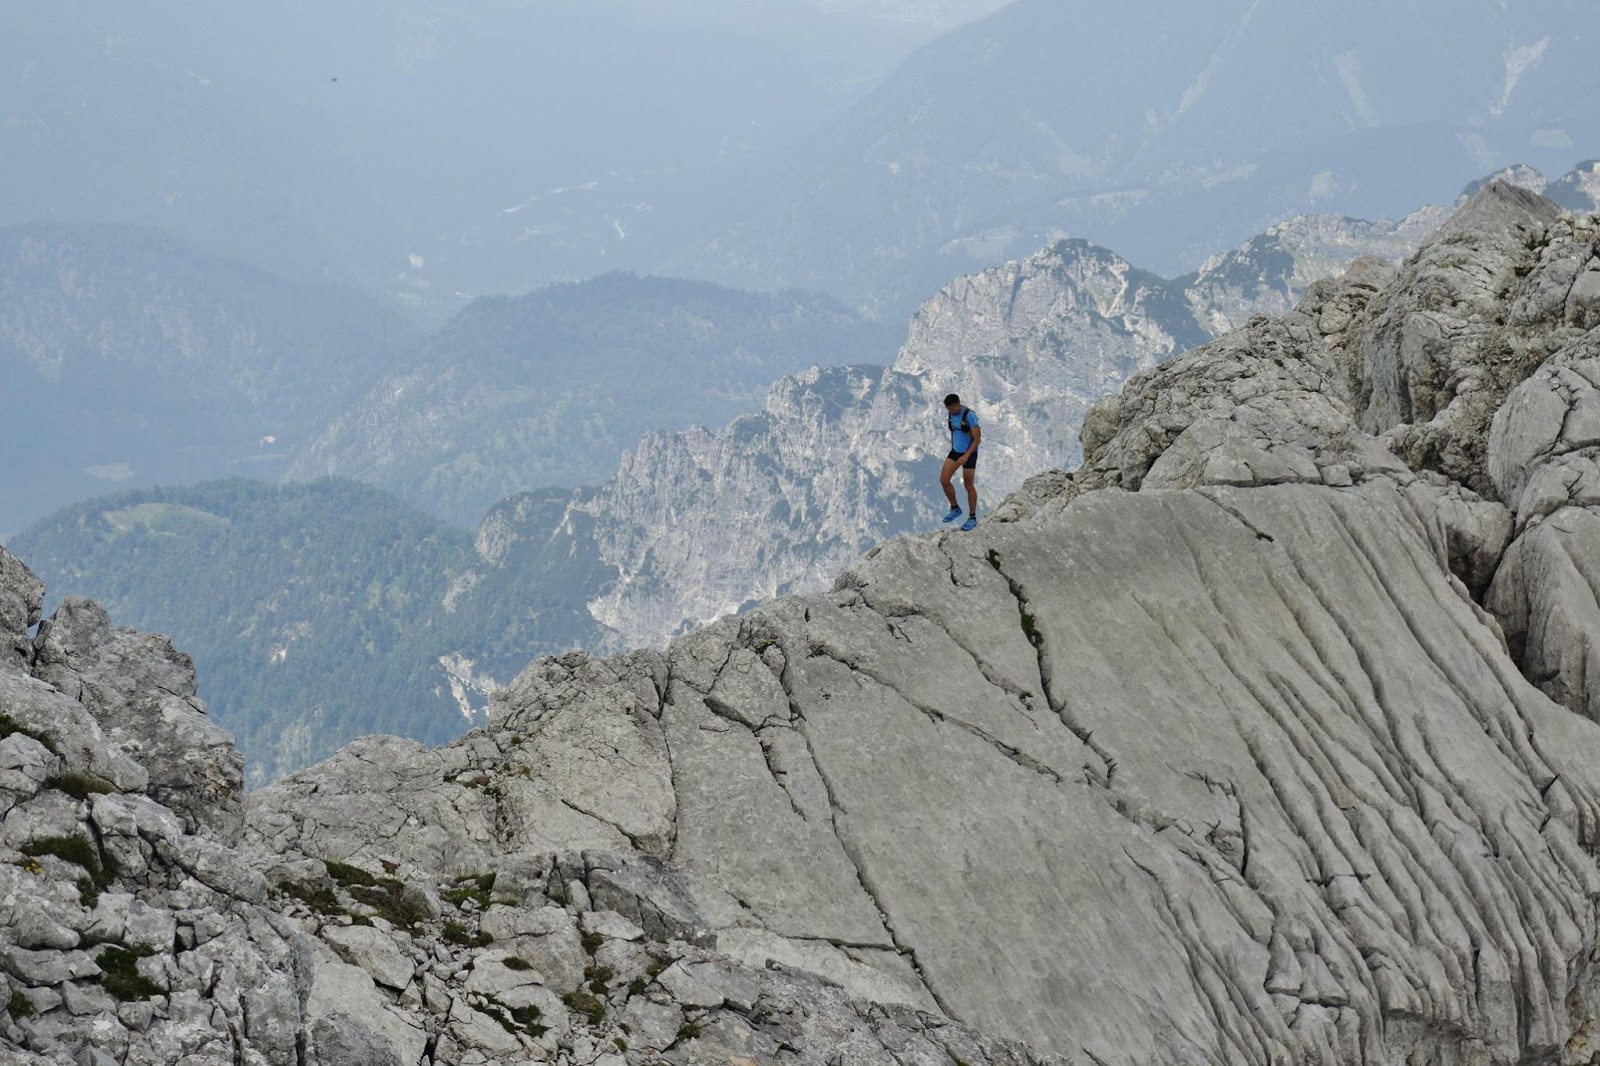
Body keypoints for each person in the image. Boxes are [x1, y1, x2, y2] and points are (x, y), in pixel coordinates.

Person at [939, 393, 981, 531]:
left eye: (952, 409)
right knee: (944, 480)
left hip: (969, 453)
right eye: (948, 410)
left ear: (958, 404)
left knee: (969, 485)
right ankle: (955, 508)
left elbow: (977, 439)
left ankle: (972, 517)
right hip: (956, 451)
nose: (950, 412)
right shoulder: (951, 414)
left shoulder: (969, 415)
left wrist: (967, 455)